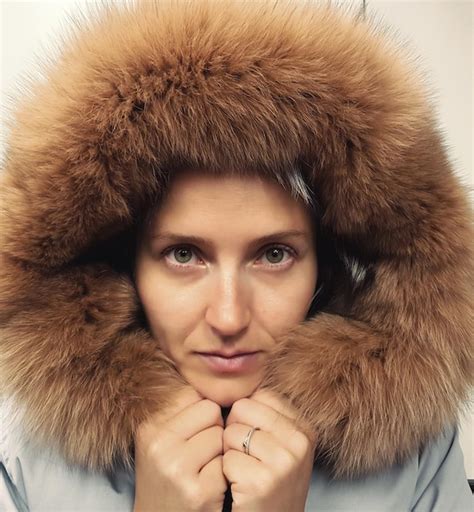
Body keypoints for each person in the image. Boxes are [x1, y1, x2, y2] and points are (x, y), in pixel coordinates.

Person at [0, 0, 472, 511]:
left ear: (325, 265)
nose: (228, 317)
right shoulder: (25, 454)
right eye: (184, 254)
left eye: (273, 255)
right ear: (122, 265)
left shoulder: (417, 455)